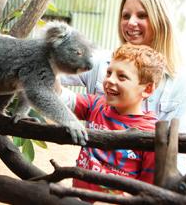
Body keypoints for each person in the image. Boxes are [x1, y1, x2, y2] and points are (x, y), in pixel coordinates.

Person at [61, 0, 186, 174]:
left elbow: (179, 156)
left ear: (161, 21)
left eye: (142, 16)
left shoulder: (181, 81)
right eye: (126, 16)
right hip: (89, 179)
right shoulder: (102, 62)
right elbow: (55, 73)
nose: (131, 23)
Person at [60, 43, 165, 195]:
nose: (110, 80)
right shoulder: (96, 104)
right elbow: (64, 98)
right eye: (109, 73)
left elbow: (147, 192)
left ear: (147, 89)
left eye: (122, 77)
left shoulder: (151, 134)